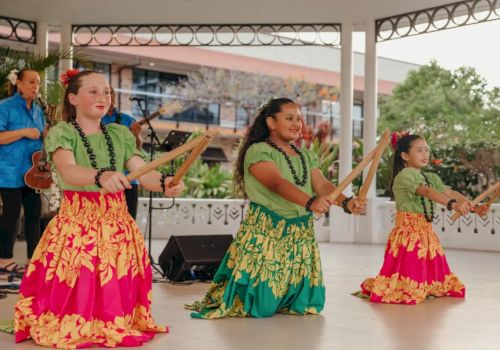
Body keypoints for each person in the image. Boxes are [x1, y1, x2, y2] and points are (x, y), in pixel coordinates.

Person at [14, 70, 184, 348]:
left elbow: (143, 173)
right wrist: (99, 175)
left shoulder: (120, 133)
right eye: (93, 91)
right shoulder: (62, 132)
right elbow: (68, 171)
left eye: (106, 92)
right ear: (73, 98)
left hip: (116, 224)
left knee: (112, 284)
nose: (102, 97)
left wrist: (165, 182)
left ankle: (111, 319)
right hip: (77, 222)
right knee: (78, 283)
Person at [187, 97, 365, 319]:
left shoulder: (305, 155)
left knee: (303, 306)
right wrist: (310, 202)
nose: (296, 124)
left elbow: (322, 185)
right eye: (289, 118)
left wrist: (346, 202)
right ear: (271, 122)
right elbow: (277, 183)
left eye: (299, 119)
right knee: (261, 306)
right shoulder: (258, 150)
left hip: (300, 234)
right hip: (267, 231)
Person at [358, 133, 488, 304]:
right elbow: (427, 192)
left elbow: (448, 192)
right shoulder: (405, 175)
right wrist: (453, 205)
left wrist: (473, 207)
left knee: (437, 281)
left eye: (426, 150)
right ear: (405, 155)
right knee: (410, 285)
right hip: (408, 235)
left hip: (426, 231)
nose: (425, 154)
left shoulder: (431, 177)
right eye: (419, 150)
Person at [0, 68, 44, 278]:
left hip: (34, 172)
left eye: (38, 83)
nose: (36, 86)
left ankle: (32, 260)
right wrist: (23, 132)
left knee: (34, 214)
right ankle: (5, 259)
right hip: (9, 170)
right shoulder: (5, 107)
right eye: (31, 82)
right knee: (12, 215)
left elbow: (41, 138)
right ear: (18, 83)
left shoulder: (39, 110)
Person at [101, 86, 142, 219]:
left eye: (111, 93)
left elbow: (137, 148)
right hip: (105, 179)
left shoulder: (127, 120)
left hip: (129, 179)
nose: (110, 96)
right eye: (106, 93)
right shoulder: (95, 119)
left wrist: (136, 136)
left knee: (128, 222)